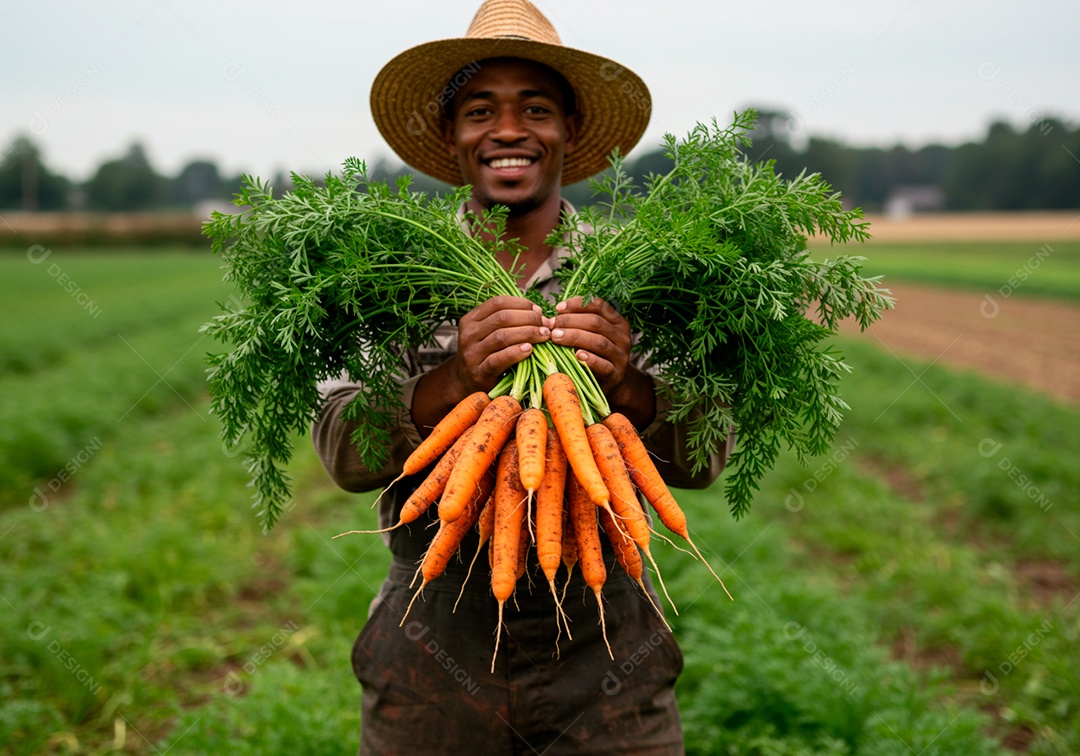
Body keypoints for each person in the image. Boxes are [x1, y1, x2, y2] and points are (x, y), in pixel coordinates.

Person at [312, 1, 731, 753]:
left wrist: (629, 381)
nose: (508, 130)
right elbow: (342, 449)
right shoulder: (388, 280)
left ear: (569, 129)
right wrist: (453, 382)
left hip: (608, 650)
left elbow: (706, 457)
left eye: (534, 108)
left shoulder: (641, 279)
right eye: (480, 110)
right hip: (432, 648)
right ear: (451, 136)